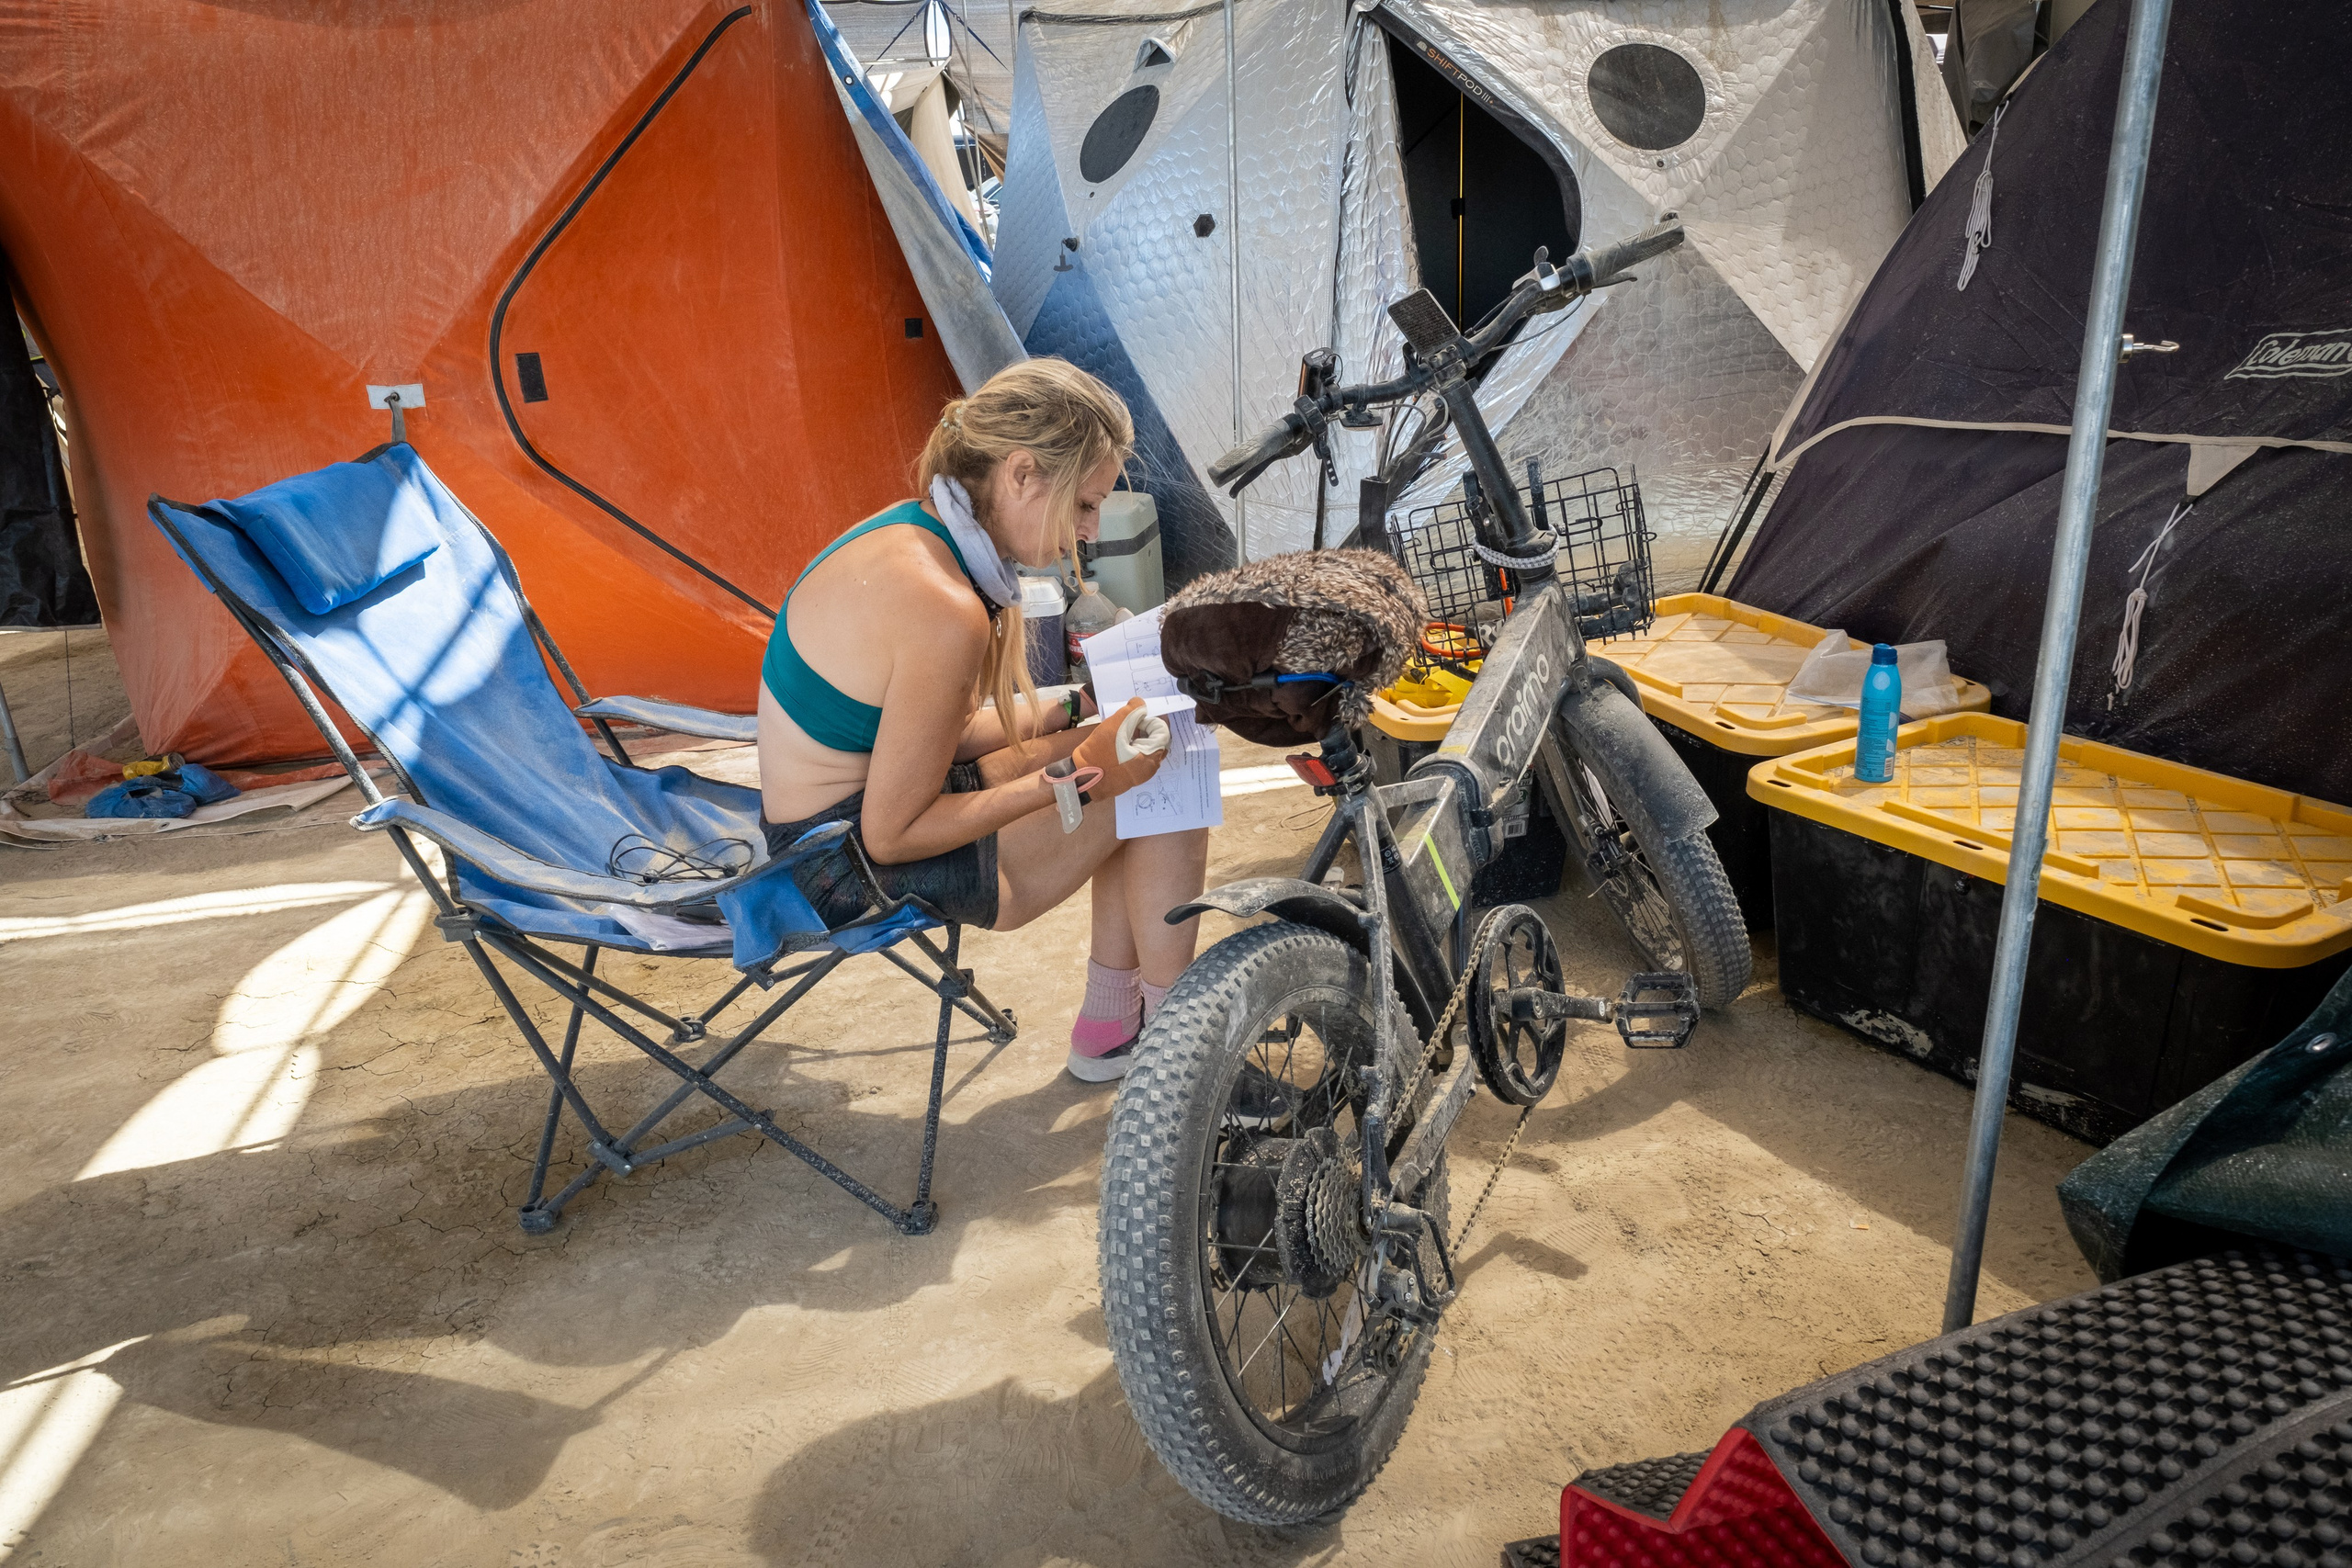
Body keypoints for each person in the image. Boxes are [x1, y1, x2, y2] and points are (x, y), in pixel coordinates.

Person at [757, 358, 1210, 1082]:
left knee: (1130, 740)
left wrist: (1079, 709)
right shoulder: (947, 608)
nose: (1089, 533)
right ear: (1023, 474)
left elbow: (945, 731)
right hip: (843, 865)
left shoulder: (915, 533)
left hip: (822, 826)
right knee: (1168, 766)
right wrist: (1083, 777)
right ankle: (1179, 1057)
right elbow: (893, 833)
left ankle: (1114, 1026)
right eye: (1085, 505)